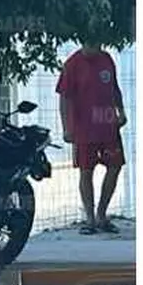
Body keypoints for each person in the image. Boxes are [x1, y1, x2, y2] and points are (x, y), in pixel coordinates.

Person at [56, 41, 127, 233]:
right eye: (90, 43)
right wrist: (66, 128)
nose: (94, 48)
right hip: (83, 128)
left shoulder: (106, 59)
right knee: (86, 171)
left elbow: (114, 88)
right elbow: (63, 99)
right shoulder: (72, 64)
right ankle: (89, 219)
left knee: (115, 166)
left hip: (108, 125)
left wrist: (121, 111)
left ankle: (101, 214)